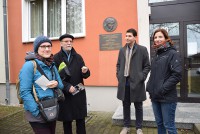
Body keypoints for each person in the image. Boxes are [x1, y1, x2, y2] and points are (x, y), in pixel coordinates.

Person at [19, 35, 64, 134]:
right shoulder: (29, 65)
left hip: (52, 108)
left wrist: (56, 83)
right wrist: (36, 112)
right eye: (43, 46)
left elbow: (61, 86)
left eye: (49, 46)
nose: (47, 49)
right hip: (38, 113)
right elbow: (24, 92)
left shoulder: (52, 65)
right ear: (36, 49)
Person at [146, 28, 182, 134]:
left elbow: (177, 75)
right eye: (155, 37)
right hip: (155, 96)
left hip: (167, 97)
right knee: (160, 124)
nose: (157, 39)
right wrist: (149, 86)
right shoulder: (156, 55)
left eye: (160, 37)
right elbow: (153, 74)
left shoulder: (172, 53)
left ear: (166, 38)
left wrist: (162, 88)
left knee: (169, 126)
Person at [54, 33, 90, 134]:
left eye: (70, 41)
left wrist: (85, 71)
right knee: (67, 122)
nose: (69, 43)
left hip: (78, 93)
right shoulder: (56, 58)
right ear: (61, 43)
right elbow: (55, 77)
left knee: (80, 120)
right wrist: (67, 86)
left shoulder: (78, 57)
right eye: (66, 41)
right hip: (65, 94)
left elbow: (86, 75)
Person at [116, 28, 151, 134]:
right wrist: (119, 76)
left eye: (129, 36)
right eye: (126, 36)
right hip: (124, 82)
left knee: (138, 106)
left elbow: (147, 66)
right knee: (125, 105)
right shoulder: (122, 50)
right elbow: (118, 65)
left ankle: (139, 127)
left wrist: (142, 77)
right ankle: (126, 126)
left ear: (135, 37)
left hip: (137, 82)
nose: (127, 38)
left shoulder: (142, 49)